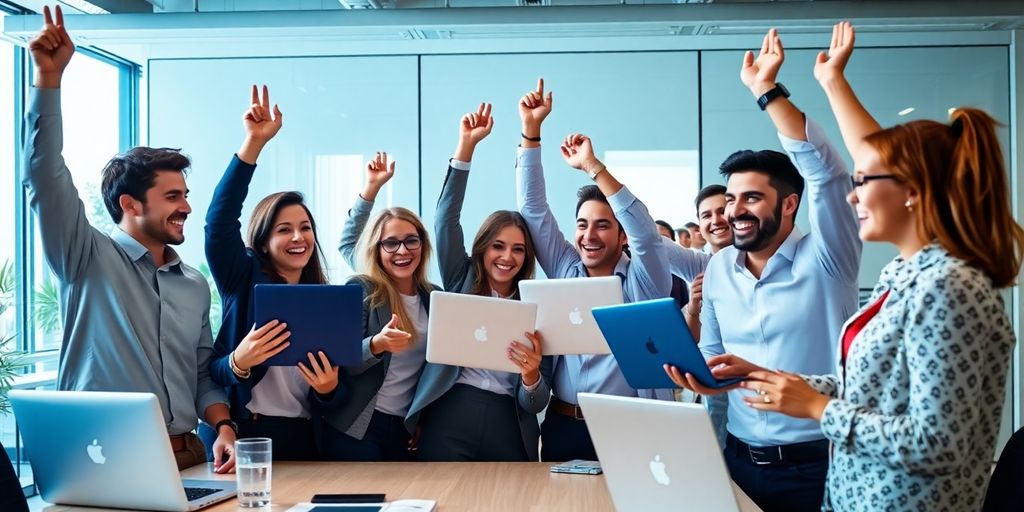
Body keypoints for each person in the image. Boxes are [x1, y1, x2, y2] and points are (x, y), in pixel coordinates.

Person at [707, 22, 1023, 512]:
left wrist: (818, 409)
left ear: (913, 191)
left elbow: (937, 443)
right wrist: (763, 376)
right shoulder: (905, 276)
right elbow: (871, 392)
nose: (852, 194)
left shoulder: (948, 287)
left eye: (865, 180)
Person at [24, 6, 235, 473]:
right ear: (130, 204)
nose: (186, 206)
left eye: (186, 194)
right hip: (105, 457)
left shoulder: (194, 283)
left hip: (189, 454)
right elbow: (43, 175)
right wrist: (48, 80)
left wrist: (223, 426)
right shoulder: (84, 257)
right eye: (172, 196)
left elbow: (201, 375)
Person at [665, 28, 861, 512]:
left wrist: (766, 92)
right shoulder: (719, 271)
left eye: (752, 197)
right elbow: (714, 357)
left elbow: (829, 174)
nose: (735, 211)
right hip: (737, 459)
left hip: (817, 464)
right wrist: (698, 377)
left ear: (789, 204)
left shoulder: (828, 256)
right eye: (731, 198)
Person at [515, 78, 673, 462]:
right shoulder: (567, 268)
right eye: (582, 224)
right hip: (564, 424)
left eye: (602, 225)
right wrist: (531, 133)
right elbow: (533, 210)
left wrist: (593, 167)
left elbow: (647, 235)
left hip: (628, 426)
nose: (589, 235)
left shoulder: (644, 280)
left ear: (621, 236)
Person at [205, 85, 345, 460]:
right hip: (246, 433)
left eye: (305, 227)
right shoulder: (244, 278)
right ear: (263, 241)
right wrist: (253, 145)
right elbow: (219, 221)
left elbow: (337, 396)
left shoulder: (325, 298)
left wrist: (330, 388)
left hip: (304, 438)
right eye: (284, 229)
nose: (299, 237)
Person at [408, 103, 551, 462]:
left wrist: (532, 375)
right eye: (498, 247)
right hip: (451, 412)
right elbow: (444, 220)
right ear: (482, 248)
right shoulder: (462, 278)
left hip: (508, 422)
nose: (507, 257)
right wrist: (465, 148)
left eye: (518, 249)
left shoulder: (536, 305)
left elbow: (535, 401)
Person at [318, 153, 439, 461]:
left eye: (411, 240)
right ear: (377, 248)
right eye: (391, 243)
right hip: (357, 425)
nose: (402, 250)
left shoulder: (434, 296)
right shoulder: (363, 288)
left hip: (405, 426)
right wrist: (376, 344)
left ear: (423, 245)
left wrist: (423, 419)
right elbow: (342, 360)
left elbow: (436, 371)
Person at [695, 184, 732, 254]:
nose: (715, 221)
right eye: (707, 216)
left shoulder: (757, 261)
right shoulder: (697, 263)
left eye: (722, 212)